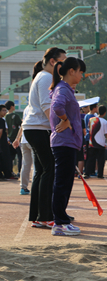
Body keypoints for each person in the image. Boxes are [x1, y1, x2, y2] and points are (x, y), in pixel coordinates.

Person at [24, 48, 68, 229]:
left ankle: (38, 215)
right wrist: (59, 129)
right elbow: (46, 106)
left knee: (42, 171)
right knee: (49, 170)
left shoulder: (42, 77)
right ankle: (45, 215)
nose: (64, 66)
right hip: (38, 129)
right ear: (52, 61)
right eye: (62, 61)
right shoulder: (44, 78)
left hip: (36, 129)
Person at [49, 57, 85, 236]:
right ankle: (60, 223)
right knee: (62, 183)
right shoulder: (62, 89)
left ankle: (61, 220)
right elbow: (57, 106)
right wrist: (65, 120)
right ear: (71, 71)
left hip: (67, 142)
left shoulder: (64, 89)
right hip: (63, 142)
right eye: (80, 71)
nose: (82, 75)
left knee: (65, 182)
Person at [86, 105, 107, 179]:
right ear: (105, 113)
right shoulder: (105, 122)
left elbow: (89, 128)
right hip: (101, 144)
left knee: (90, 159)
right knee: (101, 160)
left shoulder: (91, 120)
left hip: (92, 143)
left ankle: (87, 173)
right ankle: (100, 174)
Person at [12, 106, 33, 195]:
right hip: (34, 139)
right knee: (37, 165)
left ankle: (23, 187)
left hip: (24, 140)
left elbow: (22, 125)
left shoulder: (26, 108)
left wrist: (18, 138)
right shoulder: (39, 106)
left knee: (25, 164)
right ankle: (37, 188)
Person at [5, 100, 22, 177]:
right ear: (12, 107)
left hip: (9, 139)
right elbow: (21, 125)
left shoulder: (5, 116)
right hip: (16, 139)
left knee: (11, 157)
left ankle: (11, 172)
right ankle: (19, 172)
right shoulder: (15, 116)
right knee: (20, 155)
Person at [0, 104, 13, 179]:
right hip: (2, 145)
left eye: (6, 110)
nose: (5, 112)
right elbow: (0, 132)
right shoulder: (1, 120)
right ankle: (7, 175)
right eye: (3, 110)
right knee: (5, 159)